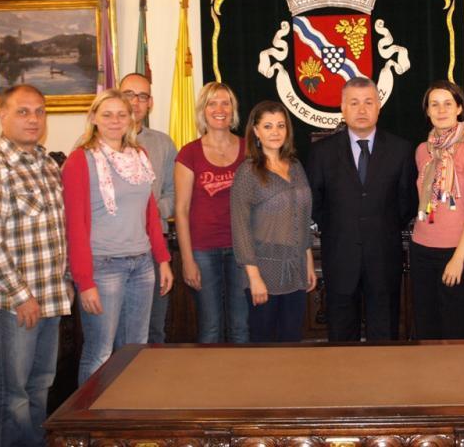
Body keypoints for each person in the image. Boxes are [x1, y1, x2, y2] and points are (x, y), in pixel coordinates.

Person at [0, 85, 73, 447]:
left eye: (39, 111)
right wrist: (22, 296)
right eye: (23, 111)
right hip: (13, 304)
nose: (33, 119)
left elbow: (58, 231)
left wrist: (66, 281)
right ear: (2, 115)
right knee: (12, 395)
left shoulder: (47, 165)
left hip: (50, 298)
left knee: (40, 387)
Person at [63, 89, 173, 384]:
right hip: (103, 267)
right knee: (99, 352)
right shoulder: (80, 160)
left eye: (121, 114)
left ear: (131, 119)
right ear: (93, 118)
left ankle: (128, 407)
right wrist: (84, 282)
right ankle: (90, 412)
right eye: (107, 114)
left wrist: (162, 259)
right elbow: (75, 226)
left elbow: (150, 213)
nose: (115, 121)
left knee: (136, 350)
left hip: (142, 265)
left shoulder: (140, 156)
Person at [306, 77, 417, 341]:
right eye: (354, 103)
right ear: (343, 108)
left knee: (384, 336)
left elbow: (407, 204)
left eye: (368, 102)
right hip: (340, 258)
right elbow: (314, 203)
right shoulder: (322, 152)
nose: (362, 109)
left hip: (384, 258)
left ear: (379, 106)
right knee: (342, 339)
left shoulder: (401, 150)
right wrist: (340, 229)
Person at [230, 101, 317, 342]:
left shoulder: (296, 166)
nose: (275, 132)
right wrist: (254, 278)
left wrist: (308, 262)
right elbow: (240, 228)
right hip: (263, 270)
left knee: (292, 340)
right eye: (268, 126)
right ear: (256, 131)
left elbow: (303, 218)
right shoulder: (247, 172)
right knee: (264, 345)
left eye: (280, 125)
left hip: (297, 268)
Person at [411, 81, 464, 339]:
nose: (441, 110)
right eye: (434, 104)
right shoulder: (422, 151)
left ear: (459, 108)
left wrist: (458, 259)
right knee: (426, 333)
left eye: (448, 103)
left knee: (457, 336)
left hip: (460, 253)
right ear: (427, 111)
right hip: (422, 252)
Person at [175, 81, 248, 343]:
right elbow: (181, 210)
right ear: (203, 111)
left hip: (241, 250)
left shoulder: (249, 149)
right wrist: (187, 260)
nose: (220, 109)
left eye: (225, 103)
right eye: (212, 103)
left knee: (241, 327)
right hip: (203, 251)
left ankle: (241, 372)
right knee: (210, 328)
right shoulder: (189, 153)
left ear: (233, 110)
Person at [119, 72, 178, 344]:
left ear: (150, 103)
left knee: (154, 328)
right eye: (129, 94)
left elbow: (175, 193)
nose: (135, 102)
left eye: (142, 96)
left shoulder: (163, 143)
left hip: (154, 247)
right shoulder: (94, 144)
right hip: (112, 251)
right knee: (114, 332)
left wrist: (152, 212)